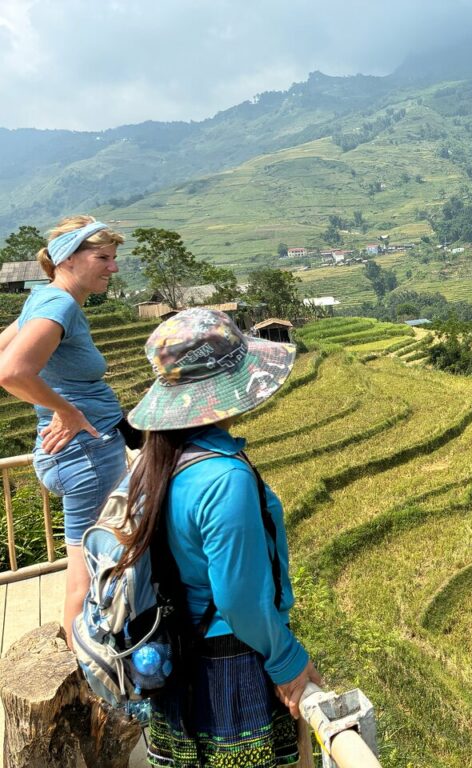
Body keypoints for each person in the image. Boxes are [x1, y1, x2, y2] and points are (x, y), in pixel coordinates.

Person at [117, 308, 320, 767]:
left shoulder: (158, 461)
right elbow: (240, 599)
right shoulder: (223, 478)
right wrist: (287, 660)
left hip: (178, 657)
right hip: (228, 665)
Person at [0, 215, 128, 645]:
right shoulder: (58, 305)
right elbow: (12, 370)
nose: (112, 267)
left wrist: (52, 402)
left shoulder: (43, 298)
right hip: (85, 455)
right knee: (85, 574)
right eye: (103, 257)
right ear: (67, 259)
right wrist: (66, 410)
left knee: (94, 563)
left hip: (72, 454)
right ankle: (85, 669)